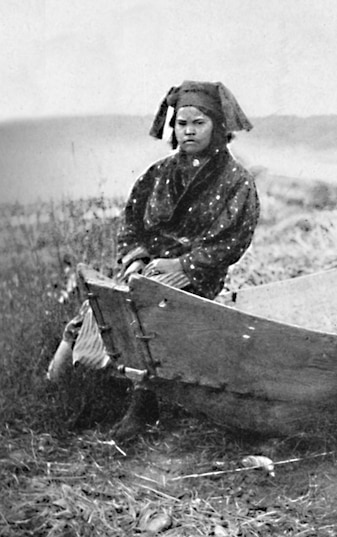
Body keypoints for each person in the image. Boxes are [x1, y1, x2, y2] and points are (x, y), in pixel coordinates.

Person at [47, 81, 259, 440]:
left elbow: (230, 241)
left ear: (218, 128)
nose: (188, 131)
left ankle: (143, 403)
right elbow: (131, 224)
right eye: (181, 123)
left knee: (148, 303)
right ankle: (69, 386)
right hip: (148, 264)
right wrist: (134, 261)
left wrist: (181, 266)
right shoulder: (158, 173)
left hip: (197, 273)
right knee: (102, 300)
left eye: (199, 123)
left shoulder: (236, 180)